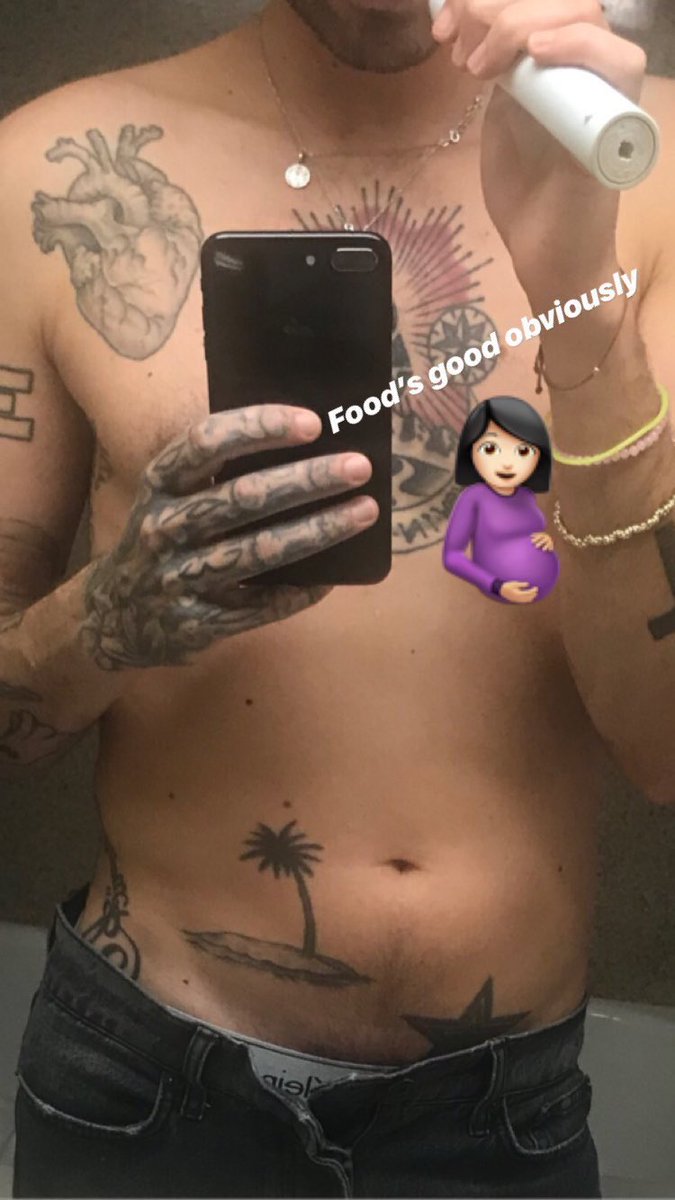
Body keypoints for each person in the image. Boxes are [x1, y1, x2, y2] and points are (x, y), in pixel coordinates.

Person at [1, 0, 673, 1195]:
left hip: (499, 1119)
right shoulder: (44, 171)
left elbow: (665, 750)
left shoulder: (644, 162)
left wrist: (582, 298)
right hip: (145, 1080)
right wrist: (101, 623)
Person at [443, 394, 560, 603]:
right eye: (490, 449)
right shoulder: (474, 497)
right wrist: (497, 586)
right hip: (498, 593)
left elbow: (525, 533)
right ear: (470, 450)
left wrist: (546, 539)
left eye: (523, 451)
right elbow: (452, 556)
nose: (507, 463)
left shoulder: (526, 494)